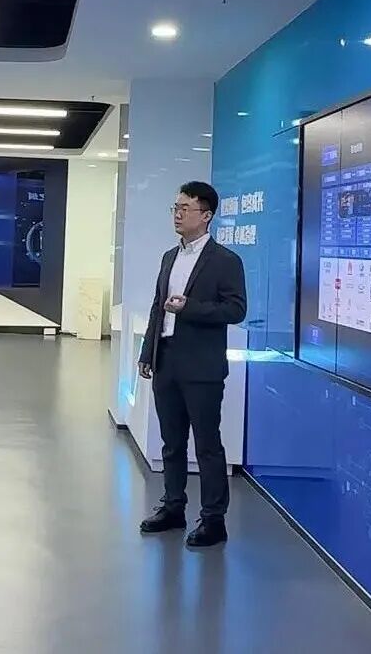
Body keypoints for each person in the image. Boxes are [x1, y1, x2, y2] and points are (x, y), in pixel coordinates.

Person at [137, 181, 247, 548]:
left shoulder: (225, 261)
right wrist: (147, 353)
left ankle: (213, 519)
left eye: (185, 208)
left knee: (207, 445)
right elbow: (158, 306)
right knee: (171, 443)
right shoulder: (169, 256)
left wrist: (191, 308)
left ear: (206, 215)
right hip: (166, 361)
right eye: (176, 207)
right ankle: (173, 507)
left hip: (202, 368)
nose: (178, 214)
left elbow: (236, 309)